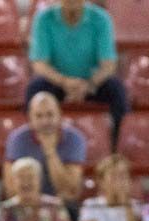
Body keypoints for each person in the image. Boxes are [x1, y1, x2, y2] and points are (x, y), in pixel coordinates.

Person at [26, 0, 127, 146]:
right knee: (35, 90)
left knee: (117, 90)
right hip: (57, 82)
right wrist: (64, 81)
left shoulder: (101, 18)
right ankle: (34, 144)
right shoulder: (43, 19)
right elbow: (39, 64)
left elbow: (109, 65)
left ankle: (116, 148)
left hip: (91, 83)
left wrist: (89, 84)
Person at [4, 91, 85, 204]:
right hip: (26, 201)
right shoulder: (17, 139)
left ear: (59, 114)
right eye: (39, 116)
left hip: (60, 204)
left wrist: (50, 151)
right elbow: (11, 188)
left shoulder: (75, 138)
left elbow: (70, 190)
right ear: (30, 117)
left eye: (50, 114)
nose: (45, 121)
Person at [0, 156, 73, 221]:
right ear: (13, 182)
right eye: (21, 177)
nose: (26, 182)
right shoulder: (4, 209)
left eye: (30, 177)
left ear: (39, 180)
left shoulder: (55, 206)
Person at [79, 154, 146, 221]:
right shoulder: (90, 205)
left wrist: (126, 203)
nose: (119, 181)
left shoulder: (137, 206)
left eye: (123, 176)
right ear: (101, 181)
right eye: (113, 176)